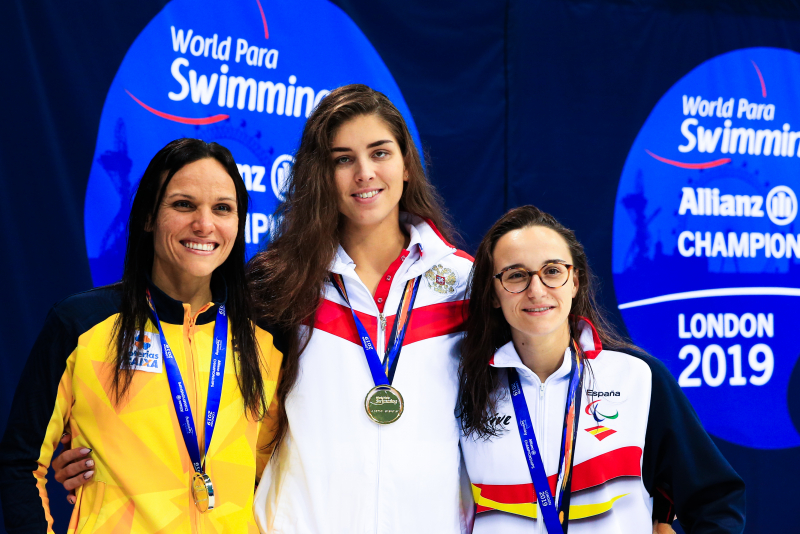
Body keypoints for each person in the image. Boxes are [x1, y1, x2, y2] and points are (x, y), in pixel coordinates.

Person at [0, 139, 283, 533]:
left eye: (223, 208)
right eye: (183, 205)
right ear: (149, 216)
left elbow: (277, 479)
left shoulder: (266, 343)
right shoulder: (82, 324)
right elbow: (20, 463)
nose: (205, 224)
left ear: (239, 222)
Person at [246, 84, 474, 533]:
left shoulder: (465, 283)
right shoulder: (279, 282)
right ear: (320, 175)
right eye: (343, 159)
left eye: (380, 153)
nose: (364, 172)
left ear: (407, 165)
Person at [457, 205, 746, 533]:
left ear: (574, 281)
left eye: (552, 271)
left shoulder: (637, 378)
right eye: (516, 275)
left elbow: (716, 499)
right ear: (494, 294)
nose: (536, 290)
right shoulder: (465, 385)